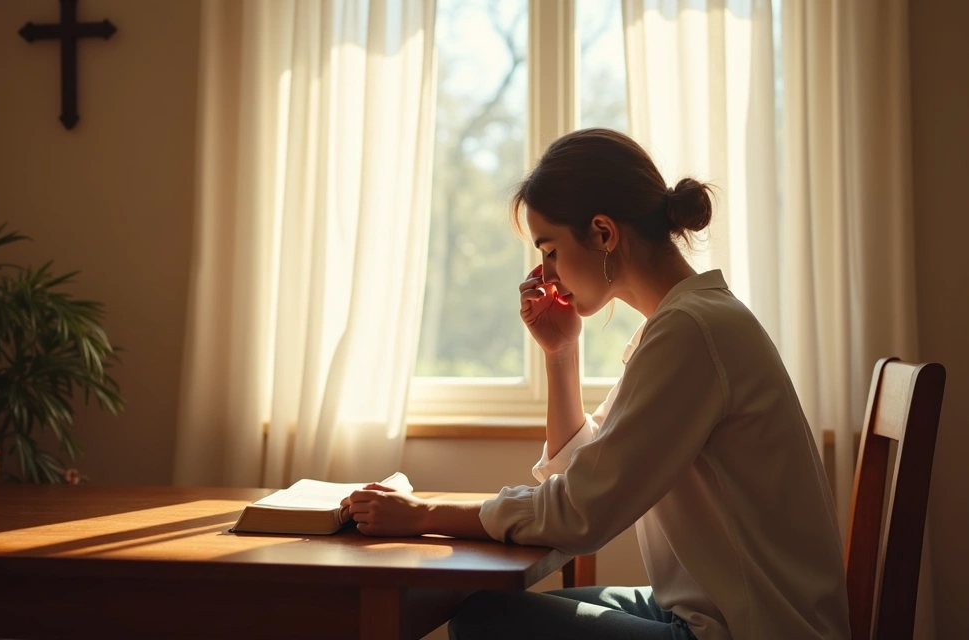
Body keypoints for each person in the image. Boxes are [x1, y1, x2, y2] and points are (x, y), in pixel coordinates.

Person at [343, 128, 851, 640]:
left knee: (486, 620)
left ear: (604, 233)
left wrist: (423, 514)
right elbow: (580, 470)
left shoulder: (691, 332)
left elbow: (580, 514)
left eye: (551, 251)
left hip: (751, 629)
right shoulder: (681, 323)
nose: (544, 274)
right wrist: (561, 354)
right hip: (706, 607)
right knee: (498, 610)